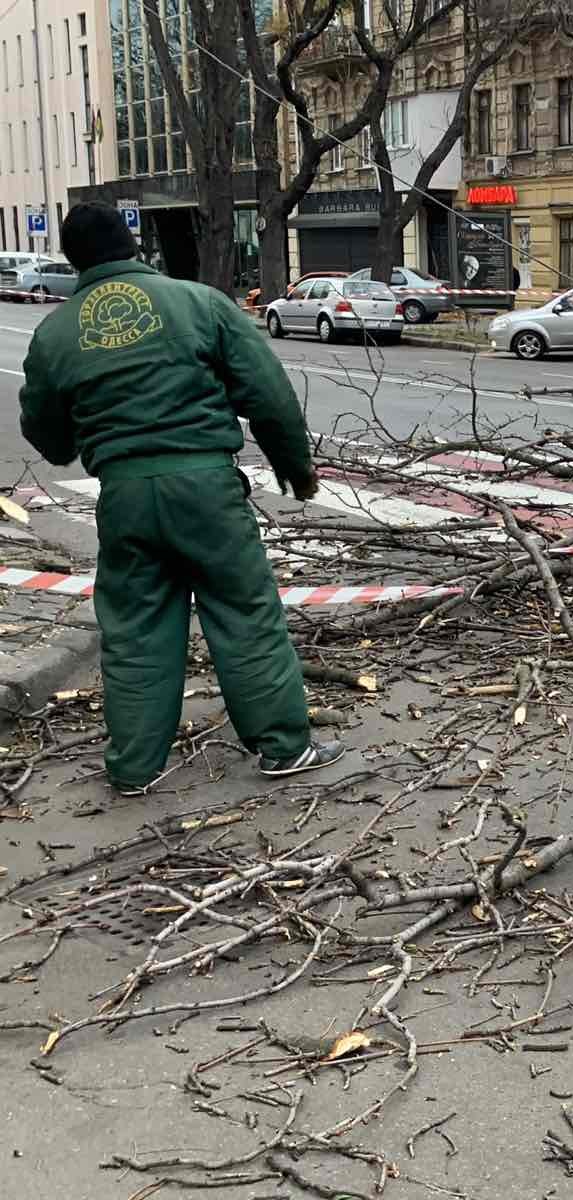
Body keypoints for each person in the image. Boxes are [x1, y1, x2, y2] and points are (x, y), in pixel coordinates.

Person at [18, 203, 345, 796]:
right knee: (243, 610)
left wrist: (82, 439)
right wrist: (296, 471)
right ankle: (283, 746)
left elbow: (46, 431)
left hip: (123, 497)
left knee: (136, 626)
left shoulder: (55, 333)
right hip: (206, 489)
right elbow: (266, 393)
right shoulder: (199, 303)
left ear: (73, 261)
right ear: (133, 247)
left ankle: (134, 768)